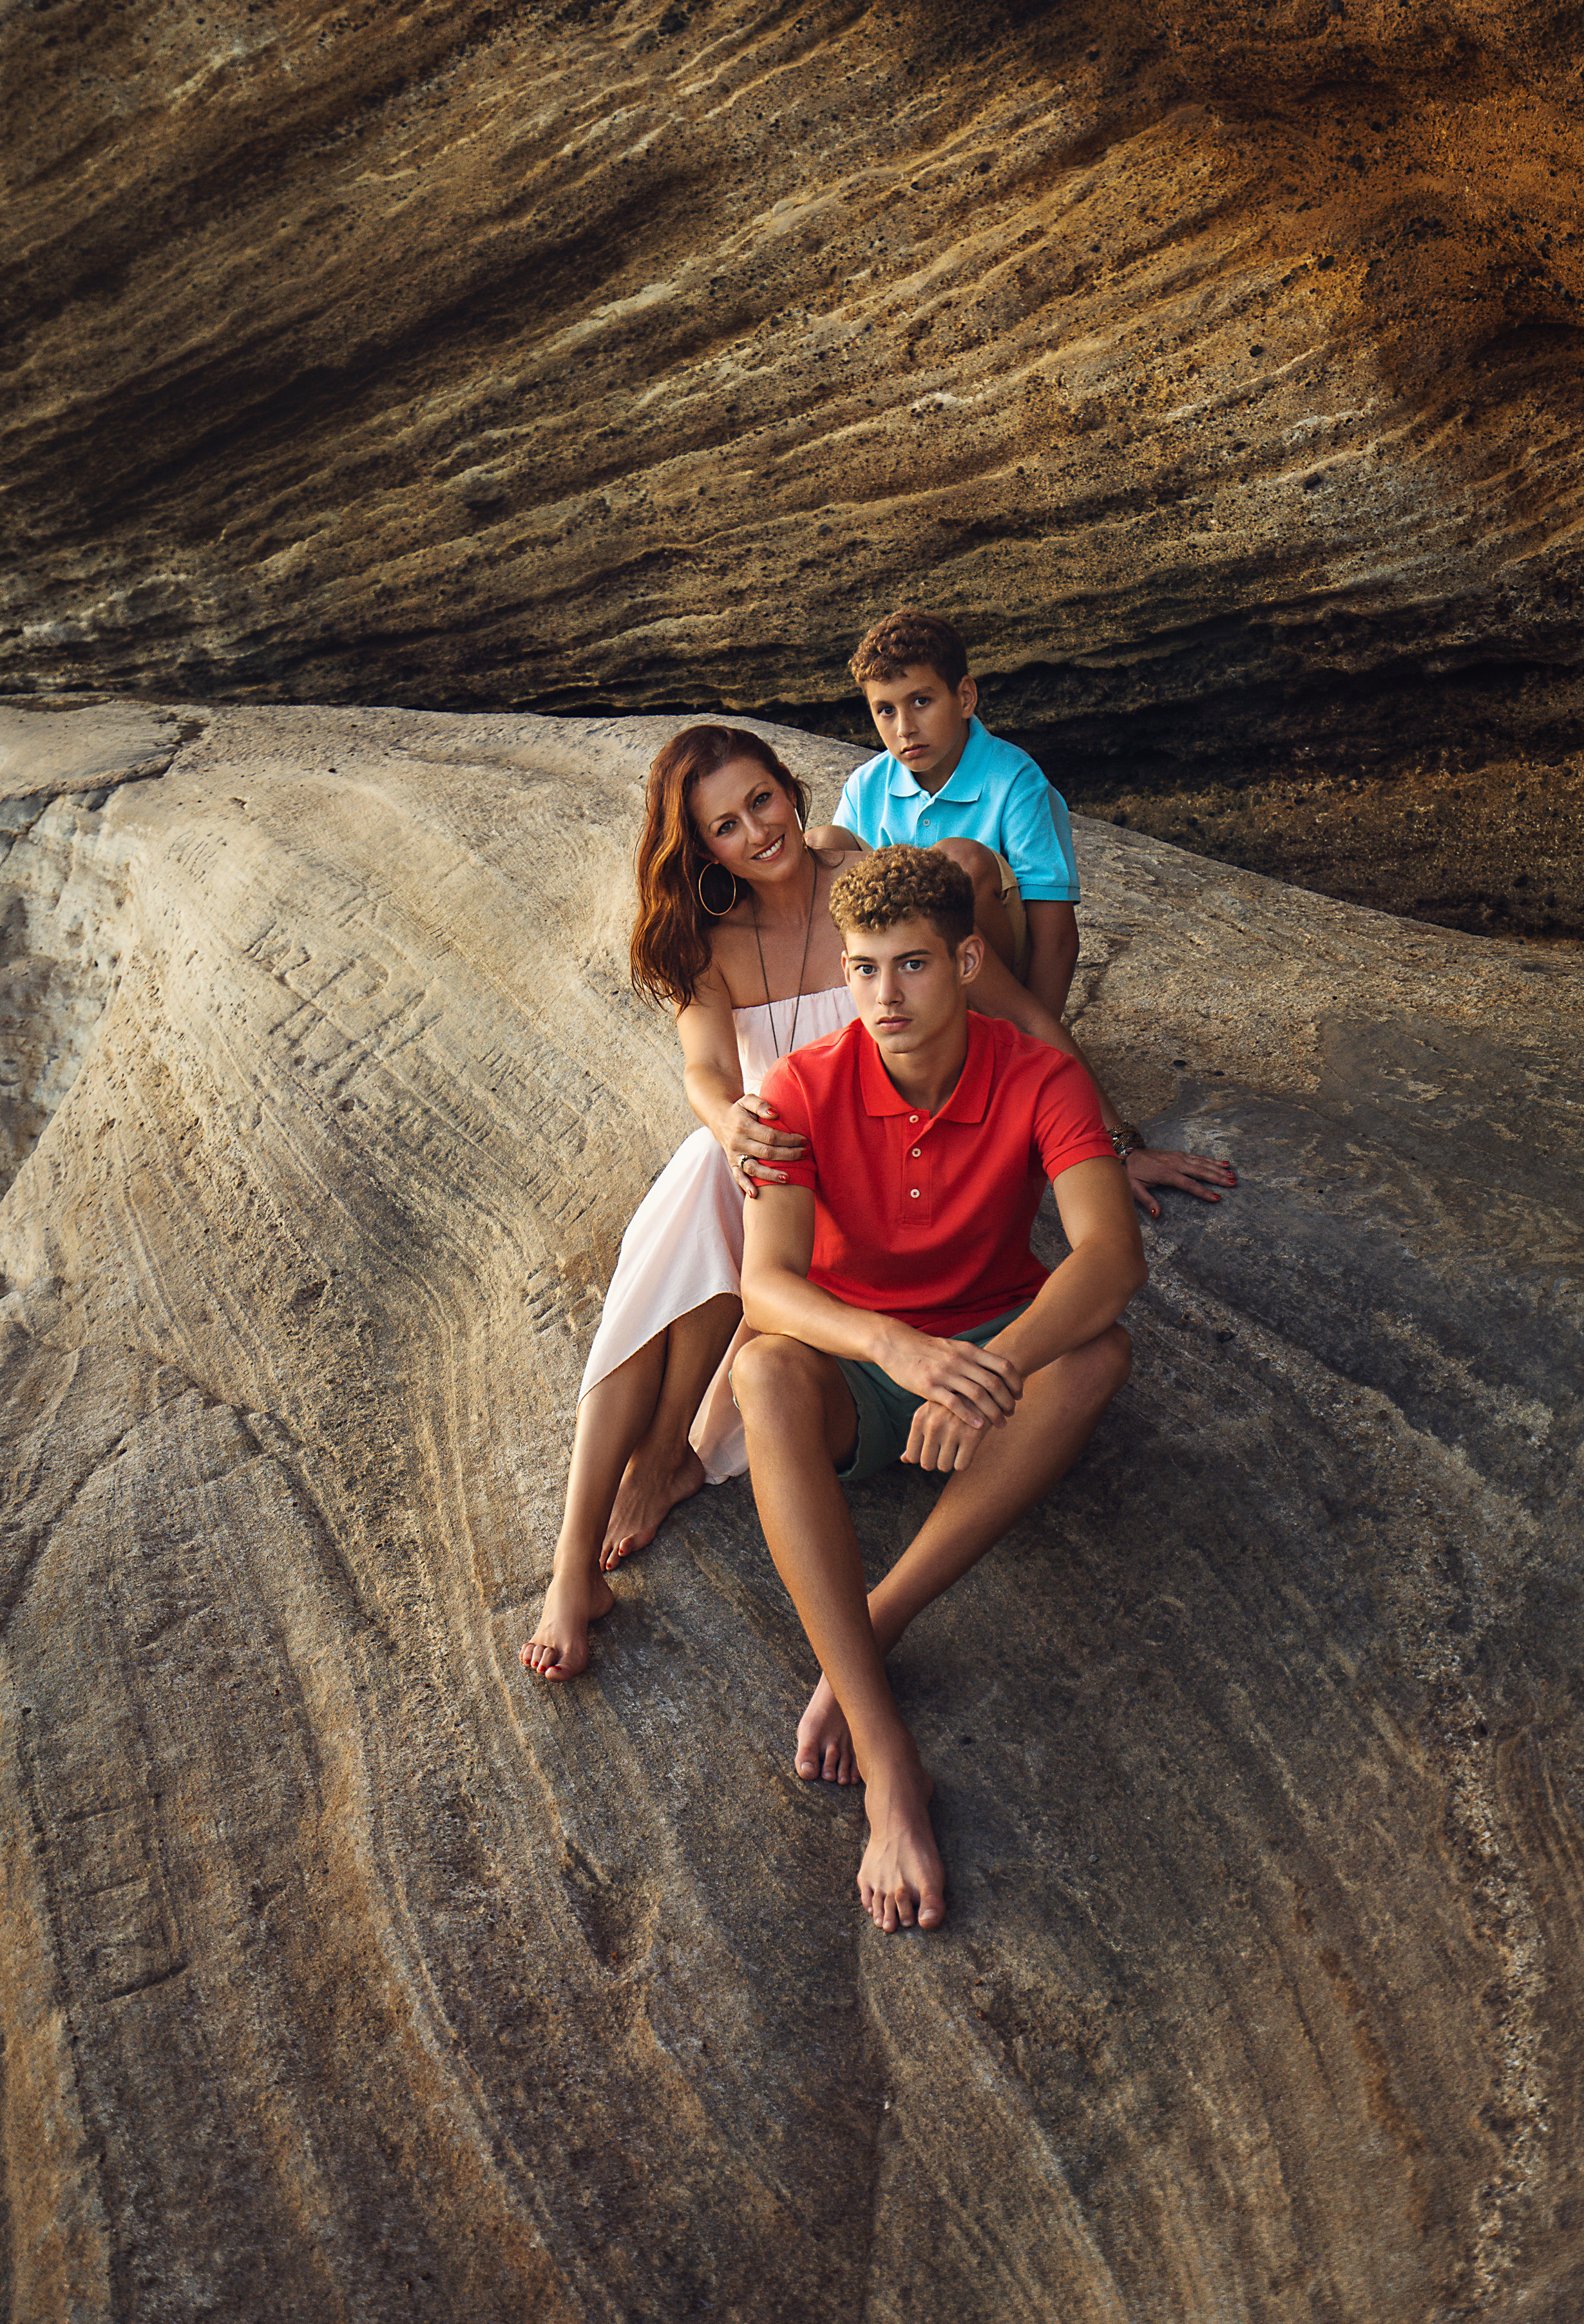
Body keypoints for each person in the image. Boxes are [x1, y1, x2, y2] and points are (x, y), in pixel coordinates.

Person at [734, 846, 1147, 1932]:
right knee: (762, 1374)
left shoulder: (1039, 1074)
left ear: (967, 960)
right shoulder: (798, 1086)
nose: (884, 997)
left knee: (1099, 1357)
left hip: (991, 1333)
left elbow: (1110, 1259)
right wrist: (899, 1353)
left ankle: (876, 1617)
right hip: (862, 1364)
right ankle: (888, 1758)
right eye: (863, 968)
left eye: (911, 966)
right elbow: (766, 1285)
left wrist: (989, 1371)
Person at [521, 725, 860, 1682]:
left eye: (763, 800)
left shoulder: (859, 879)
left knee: (720, 1187)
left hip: (866, 1175)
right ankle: (571, 1564)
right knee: (711, 1175)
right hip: (768, 1164)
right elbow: (706, 1071)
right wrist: (728, 1122)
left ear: (790, 789)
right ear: (701, 849)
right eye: (725, 826)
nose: (757, 831)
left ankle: (665, 1458)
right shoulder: (708, 947)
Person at [808, 608, 1236, 1218]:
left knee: (955, 862)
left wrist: (1034, 1056)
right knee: (824, 845)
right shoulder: (869, 786)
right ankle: (867, 1045)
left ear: (964, 696)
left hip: (993, 957)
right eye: (885, 710)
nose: (904, 727)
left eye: (922, 701)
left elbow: (1058, 940)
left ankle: (992, 1039)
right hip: (904, 970)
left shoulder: (1015, 781)